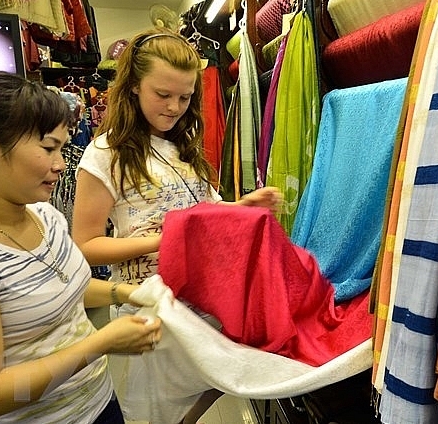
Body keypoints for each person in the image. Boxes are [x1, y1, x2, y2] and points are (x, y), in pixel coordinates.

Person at [71, 28, 282, 423]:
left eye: (184, 97)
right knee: (157, 414)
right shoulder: (106, 154)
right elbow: (85, 246)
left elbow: (205, 214)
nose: (174, 108)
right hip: (152, 310)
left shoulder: (183, 147)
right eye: (163, 94)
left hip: (203, 302)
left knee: (213, 387)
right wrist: (164, 240)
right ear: (134, 86)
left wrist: (241, 206)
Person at [0, 71, 162, 424]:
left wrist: (126, 292)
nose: (61, 164)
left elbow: (58, 288)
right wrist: (99, 344)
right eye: (48, 148)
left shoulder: (45, 216)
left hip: (99, 404)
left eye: (61, 148)